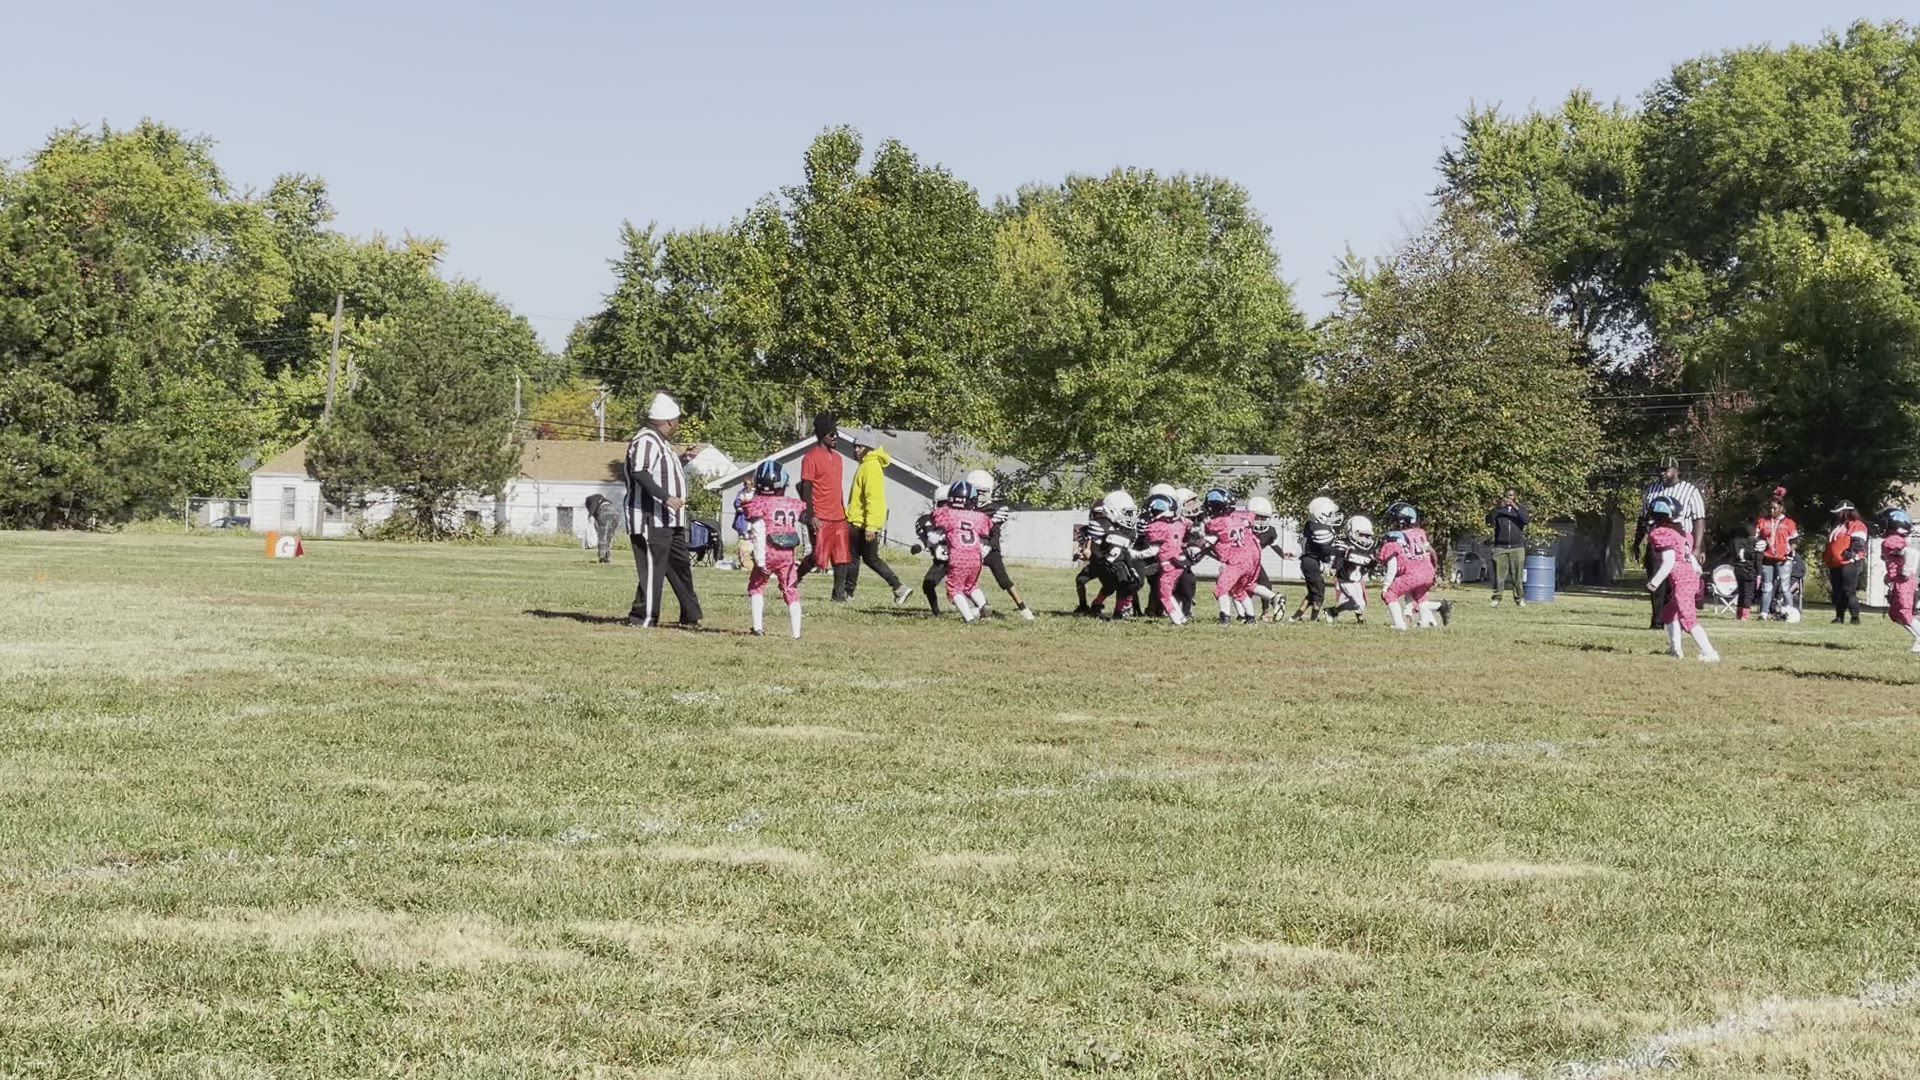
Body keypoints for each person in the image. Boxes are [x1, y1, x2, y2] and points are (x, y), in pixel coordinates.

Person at [624, 392, 703, 629]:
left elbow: (662, 471)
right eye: (677, 420)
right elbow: (640, 472)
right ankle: (643, 617)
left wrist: (683, 459)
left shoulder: (662, 443)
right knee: (653, 569)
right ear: (669, 421)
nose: (678, 425)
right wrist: (666, 497)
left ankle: (690, 616)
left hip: (671, 519)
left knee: (680, 568)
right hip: (651, 518)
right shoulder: (646, 440)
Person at [1632, 460, 1707, 630]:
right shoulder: (1651, 490)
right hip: (1657, 541)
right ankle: (1658, 621)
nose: (1662, 473)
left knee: (1676, 583)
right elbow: (1643, 518)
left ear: (1676, 470)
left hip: (1681, 541)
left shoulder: (1690, 491)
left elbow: (1699, 519)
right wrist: (1637, 542)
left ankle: (1677, 620)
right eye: (1660, 470)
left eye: (1666, 470)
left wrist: (1698, 547)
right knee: (1656, 580)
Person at [1645, 494, 1719, 662]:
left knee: (1688, 617)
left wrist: (1654, 582)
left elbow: (1669, 562)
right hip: (1690, 578)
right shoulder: (1682, 535)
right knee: (1669, 613)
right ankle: (1675, 649)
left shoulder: (1662, 533)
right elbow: (1691, 558)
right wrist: (1697, 573)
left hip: (1682, 581)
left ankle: (1709, 652)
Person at [844, 434, 914, 605]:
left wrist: (872, 526)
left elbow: (874, 499)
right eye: (855, 446)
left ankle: (848, 593)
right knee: (868, 558)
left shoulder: (870, 467)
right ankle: (898, 588)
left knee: (856, 558)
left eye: (859, 447)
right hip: (862, 521)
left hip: (863, 523)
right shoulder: (866, 465)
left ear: (869, 449)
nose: (855, 450)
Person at [741, 461, 807, 639]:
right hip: (787, 553)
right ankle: (796, 633)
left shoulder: (759, 503)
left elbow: (758, 529)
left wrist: (760, 559)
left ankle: (757, 627)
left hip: (768, 550)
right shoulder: (793, 504)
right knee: (790, 589)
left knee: (756, 587)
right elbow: (805, 515)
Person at [796, 414, 854, 602]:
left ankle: (838, 595)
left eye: (836, 434)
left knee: (842, 556)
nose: (835, 438)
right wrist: (811, 515)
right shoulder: (810, 458)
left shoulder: (838, 459)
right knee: (818, 556)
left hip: (839, 516)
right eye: (831, 434)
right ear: (822, 436)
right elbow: (806, 487)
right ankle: (794, 578)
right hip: (820, 515)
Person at [967, 469, 1037, 621]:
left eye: (982, 491)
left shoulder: (995, 509)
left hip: (990, 548)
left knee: (1004, 580)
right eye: (976, 491)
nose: (979, 495)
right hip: (971, 548)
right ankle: (981, 605)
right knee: (967, 580)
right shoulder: (967, 509)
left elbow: (991, 526)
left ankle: (1023, 608)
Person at [1378, 503, 1450, 630]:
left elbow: (1392, 566)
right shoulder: (1420, 533)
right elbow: (1432, 552)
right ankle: (1425, 622)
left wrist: (1386, 586)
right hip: (1428, 571)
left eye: (1394, 520)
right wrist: (1434, 570)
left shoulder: (1394, 538)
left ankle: (1400, 625)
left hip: (1412, 574)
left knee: (1390, 594)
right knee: (1421, 597)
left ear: (1401, 521)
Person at [1199, 489, 1264, 625]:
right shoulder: (1241, 517)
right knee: (1239, 590)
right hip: (1249, 560)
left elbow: (1209, 536)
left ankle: (1225, 619)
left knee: (1221, 588)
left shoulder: (1216, 523)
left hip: (1235, 561)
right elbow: (1250, 516)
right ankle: (1251, 618)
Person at [931, 479, 994, 622]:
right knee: (971, 586)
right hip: (976, 556)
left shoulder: (946, 513)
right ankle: (984, 604)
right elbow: (986, 534)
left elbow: (937, 529)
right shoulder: (980, 517)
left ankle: (969, 617)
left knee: (954, 589)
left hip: (958, 556)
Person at [1141, 491, 1191, 625]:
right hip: (1178, 561)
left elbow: (1153, 550)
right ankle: (1180, 618)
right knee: (1168, 593)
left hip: (1168, 564)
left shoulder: (1158, 527)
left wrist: (1134, 554)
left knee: (1165, 594)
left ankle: (1177, 620)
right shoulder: (1178, 525)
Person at [1290, 496, 1340, 623]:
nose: (1333, 517)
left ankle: (1296, 616)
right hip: (1310, 561)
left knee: (1313, 592)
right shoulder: (1317, 528)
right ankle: (1314, 617)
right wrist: (1340, 551)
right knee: (1319, 592)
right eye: (1330, 514)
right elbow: (1325, 549)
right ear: (1321, 514)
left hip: (1310, 561)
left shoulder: (1312, 525)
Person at [1877, 508, 1919, 653]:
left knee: (1904, 612)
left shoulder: (1891, 541)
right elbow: (1896, 559)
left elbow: (1912, 553)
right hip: (1899, 581)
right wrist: (1890, 575)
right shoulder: (1893, 541)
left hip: (1904, 582)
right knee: (1895, 613)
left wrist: (1906, 571)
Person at [1754, 489, 1800, 619]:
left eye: (1774, 508)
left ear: (1781, 508)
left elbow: (1794, 539)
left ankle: (1790, 613)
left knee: (1785, 587)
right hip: (1767, 558)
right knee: (1766, 586)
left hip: (1783, 559)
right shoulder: (1763, 521)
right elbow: (1756, 537)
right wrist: (1759, 544)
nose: (1772, 511)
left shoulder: (1789, 523)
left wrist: (1791, 551)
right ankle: (1764, 613)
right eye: (1770, 508)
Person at [1823, 501, 1869, 624]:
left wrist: (1849, 555)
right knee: (1838, 591)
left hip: (1850, 563)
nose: (1837, 515)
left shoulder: (1857, 525)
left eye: (1839, 512)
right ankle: (1839, 616)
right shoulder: (1837, 525)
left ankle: (1855, 617)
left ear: (1846, 512)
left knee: (1849, 590)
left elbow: (1858, 544)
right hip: (1835, 563)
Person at [1327, 515, 1377, 623]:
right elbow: (1338, 557)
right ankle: (1360, 619)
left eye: (1368, 536)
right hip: (1345, 578)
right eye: (1362, 535)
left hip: (1357, 579)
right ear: (1352, 532)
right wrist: (1334, 568)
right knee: (1359, 602)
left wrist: (1373, 564)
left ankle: (1332, 611)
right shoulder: (1345, 544)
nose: (1366, 539)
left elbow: (1370, 565)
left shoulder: (1369, 548)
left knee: (1357, 603)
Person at [1486, 489, 1529, 608]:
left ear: (1515, 497)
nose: (1509, 498)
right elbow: (1489, 520)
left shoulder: (1520, 510)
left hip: (1517, 547)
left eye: (1511, 496)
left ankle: (1519, 599)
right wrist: (1498, 507)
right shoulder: (1499, 511)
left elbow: (1525, 520)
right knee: (1499, 576)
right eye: (1507, 496)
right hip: (1500, 547)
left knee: (1517, 576)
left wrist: (1515, 506)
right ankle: (1496, 598)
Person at [585, 493, 621, 563]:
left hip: (605, 512)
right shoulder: (603, 499)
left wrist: (589, 515)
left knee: (602, 536)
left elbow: (593, 506)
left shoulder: (591, 499)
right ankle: (607, 556)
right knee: (609, 537)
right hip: (616, 513)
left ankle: (602, 557)